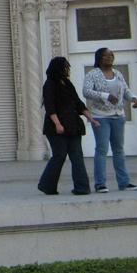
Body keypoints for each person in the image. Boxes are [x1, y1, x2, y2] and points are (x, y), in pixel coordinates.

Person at [37, 56, 99, 196]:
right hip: (56, 127)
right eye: (66, 67)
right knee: (59, 155)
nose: (68, 70)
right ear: (58, 68)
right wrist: (57, 124)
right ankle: (47, 185)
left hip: (73, 125)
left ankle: (82, 187)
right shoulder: (50, 84)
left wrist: (91, 119)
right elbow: (50, 106)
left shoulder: (67, 83)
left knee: (77, 156)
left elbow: (78, 103)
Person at [83, 47, 137, 193]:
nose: (109, 58)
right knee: (102, 149)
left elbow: (125, 90)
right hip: (101, 116)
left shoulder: (118, 74)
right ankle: (100, 184)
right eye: (105, 55)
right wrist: (106, 96)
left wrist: (133, 98)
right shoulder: (92, 74)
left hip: (118, 116)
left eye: (111, 55)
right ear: (99, 58)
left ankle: (124, 182)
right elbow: (86, 91)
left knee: (119, 149)